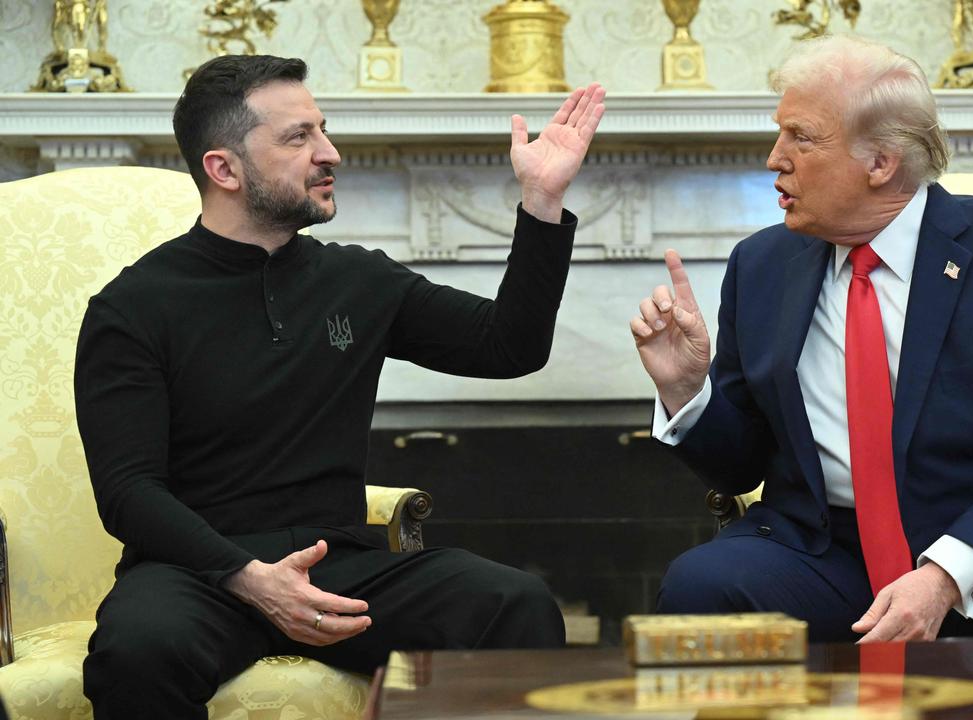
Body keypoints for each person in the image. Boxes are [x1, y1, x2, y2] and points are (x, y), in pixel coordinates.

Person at [74, 54, 605, 719]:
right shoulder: (133, 307)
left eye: (322, 130)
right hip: (199, 575)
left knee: (515, 604)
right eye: (298, 138)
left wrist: (542, 201)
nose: (330, 153)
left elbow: (510, 346)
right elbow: (128, 493)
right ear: (224, 168)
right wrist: (249, 579)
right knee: (136, 650)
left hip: (343, 571)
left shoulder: (358, 281)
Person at [629, 35, 973, 683]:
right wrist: (685, 391)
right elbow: (737, 466)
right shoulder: (762, 267)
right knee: (702, 588)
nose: (774, 160)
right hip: (824, 551)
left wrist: (943, 575)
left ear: (879, 161)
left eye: (800, 137)